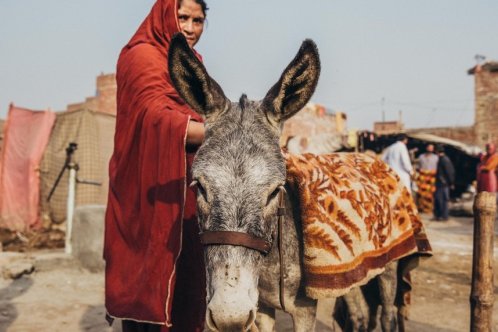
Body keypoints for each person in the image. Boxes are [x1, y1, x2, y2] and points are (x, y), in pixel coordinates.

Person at [104, 0, 208, 331]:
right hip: (146, 191)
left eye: (198, 20)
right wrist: (220, 131)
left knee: (186, 287)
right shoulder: (141, 56)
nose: (191, 28)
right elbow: (153, 117)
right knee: (147, 288)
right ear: (165, 15)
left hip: (186, 186)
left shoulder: (194, 64)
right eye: (183, 18)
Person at [433, 145, 455, 221]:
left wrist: (451, 182)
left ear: (437, 152)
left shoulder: (445, 160)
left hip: (443, 184)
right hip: (441, 183)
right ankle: (440, 216)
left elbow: (449, 172)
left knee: (442, 200)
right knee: (439, 200)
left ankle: (444, 216)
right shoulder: (442, 159)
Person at [416, 144, 439, 213]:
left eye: (431, 148)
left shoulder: (436, 157)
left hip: (431, 179)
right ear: (426, 148)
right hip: (423, 179)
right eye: (429, 147)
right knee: (421, 194)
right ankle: (421, 208)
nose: (430, 149)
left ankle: (430, 209)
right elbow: (418, 167)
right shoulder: (421, 156)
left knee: (430, 195)